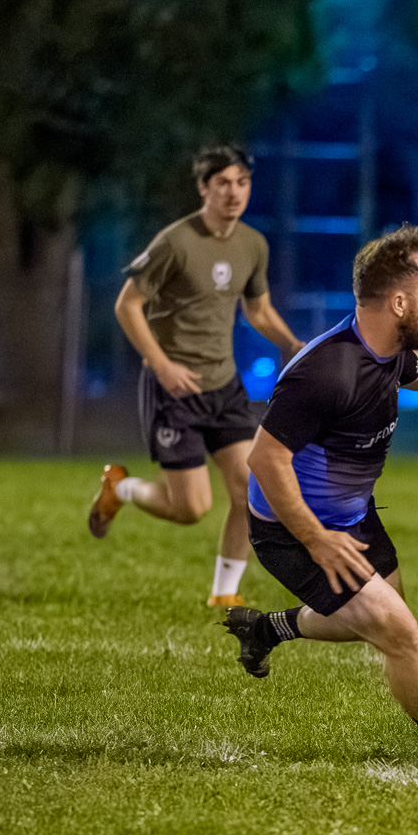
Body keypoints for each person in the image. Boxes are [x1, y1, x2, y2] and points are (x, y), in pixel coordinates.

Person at [222, 225, 418, 766]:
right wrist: (316, 539)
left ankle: (267, 628)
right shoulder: (325, 371)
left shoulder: (388, 349)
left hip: (352, 519)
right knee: (398, 631)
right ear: (398, 301)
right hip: (293, 530)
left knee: (377, 619)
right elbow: (264, 460)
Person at [87, 145, 302, 607]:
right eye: (222, 183)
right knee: (191, 509)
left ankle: (224, 594)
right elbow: (127, 304)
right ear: (204, 188)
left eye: (242, 182)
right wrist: (161, 365)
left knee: (251, 490)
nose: (233, 192)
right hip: (174, 390)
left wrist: (293, 345)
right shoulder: (175, 242)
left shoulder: (252, 245)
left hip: (224, 387)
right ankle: (120, 487)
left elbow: (258, 310)